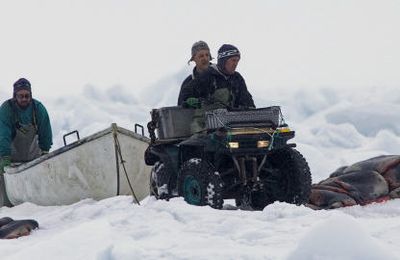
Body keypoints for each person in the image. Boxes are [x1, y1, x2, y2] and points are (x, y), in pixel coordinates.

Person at [0, 78, 53, 206]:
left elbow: (46, 132)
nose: (24, 99)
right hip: (10, 158)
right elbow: (3, 135)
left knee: (36, 194)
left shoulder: (38, 109)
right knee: (4, 186)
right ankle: (5, 210)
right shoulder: (6, 109)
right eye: (20, 96)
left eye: (27, 96)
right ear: (14, 96)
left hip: (32, 158)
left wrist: (45, 153)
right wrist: (5, 157)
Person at [185, 44, 256, 132]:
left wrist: (251, 112)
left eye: (237, 61)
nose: (235, 64)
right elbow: (186, 96)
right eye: (233, 60)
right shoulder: (207, 76)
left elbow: (247, 101)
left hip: (230, 124)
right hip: (205, 125)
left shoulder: (237, 78)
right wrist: (192, 101)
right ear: (223, 60)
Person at [177, 40, 213, 107]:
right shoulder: (188, 83)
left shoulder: (220, 76)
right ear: (193, 58)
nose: (205, 58)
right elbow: (180, 110)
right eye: (201, 56)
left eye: (207, 55)